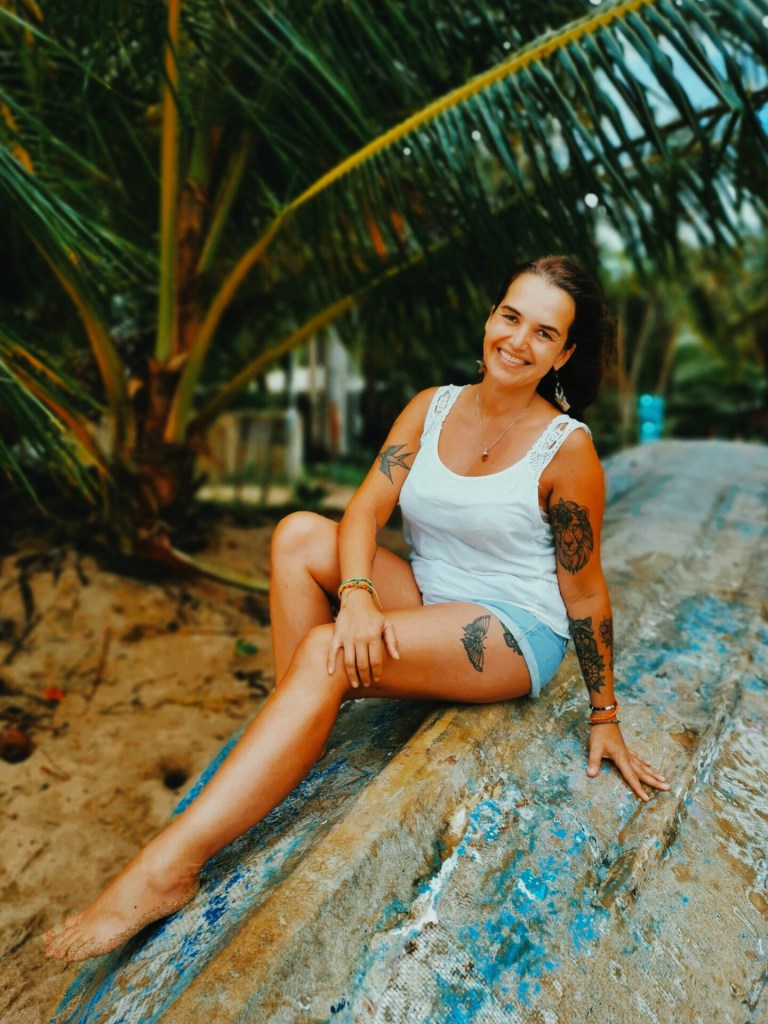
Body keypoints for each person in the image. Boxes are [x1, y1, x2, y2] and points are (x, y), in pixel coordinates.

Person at [44, 255, 670, 962]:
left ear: (564, 354)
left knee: (325, 652)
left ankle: (165, 870)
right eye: (511, 316)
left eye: (544, 333)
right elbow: (365, 510)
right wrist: (360, 595)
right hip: (428, 594)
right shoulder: (432, 407)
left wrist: (605, 714)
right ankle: (299, 731)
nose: (519, 340)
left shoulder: (567, 450)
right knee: (296, 537)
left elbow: (584, 590)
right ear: (490, 317)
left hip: (511, 628)